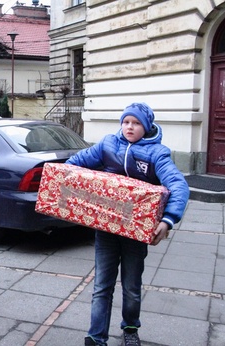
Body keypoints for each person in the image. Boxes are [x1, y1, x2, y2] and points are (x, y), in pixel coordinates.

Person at [65, 103, 189, 346]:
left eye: (136, 123)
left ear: (147, 126)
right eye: (126, 122)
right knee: (102, 285)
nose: (130, 127)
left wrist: (168, 220)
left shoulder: (157, 153)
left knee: (131, 287)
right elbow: (74, 164)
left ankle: (130, 329)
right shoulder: (108, 144)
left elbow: (178, 186)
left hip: (136, 233)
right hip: (106, 230)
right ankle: (96, 336)